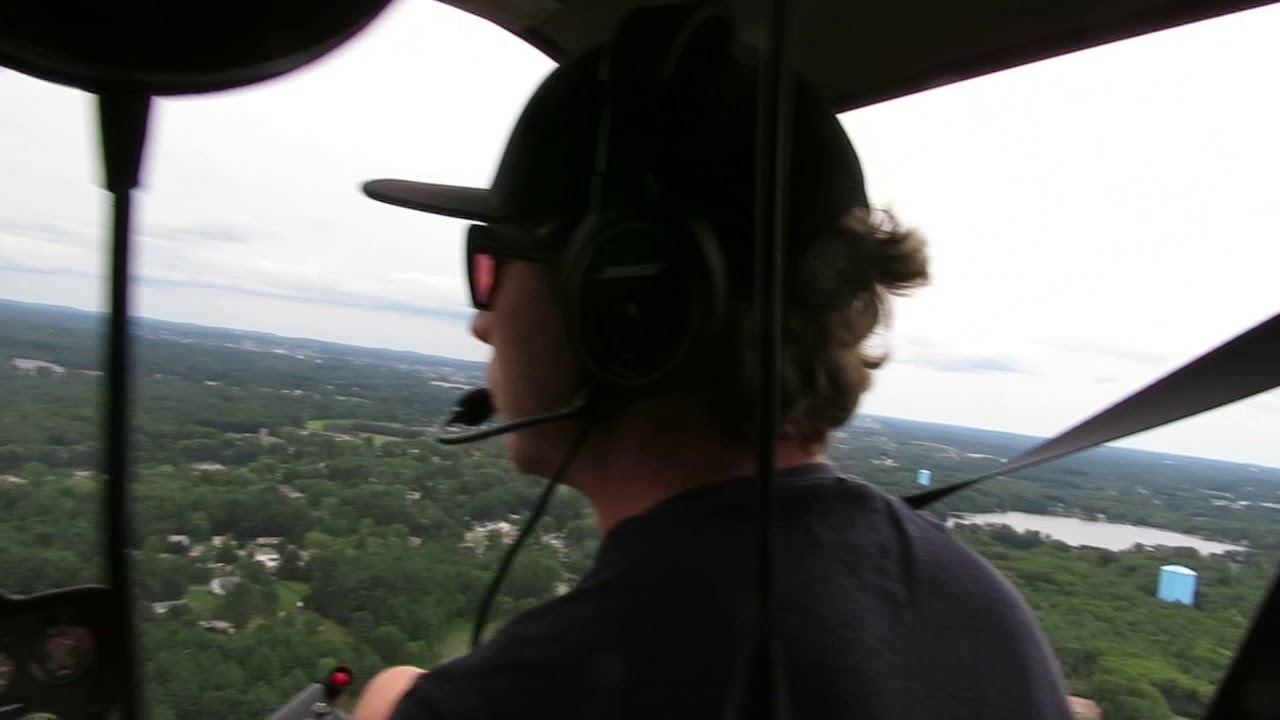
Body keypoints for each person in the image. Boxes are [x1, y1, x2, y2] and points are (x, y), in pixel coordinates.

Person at [353, 5, 1071, 719]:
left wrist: (396, 698)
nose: (482, 321)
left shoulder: (560, 689)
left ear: (624, 297)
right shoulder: (983, 607)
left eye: (490, 263)